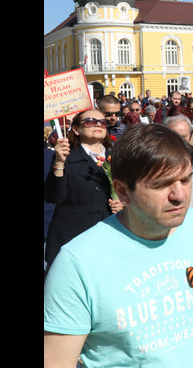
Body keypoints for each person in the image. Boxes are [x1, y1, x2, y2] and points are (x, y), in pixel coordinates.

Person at [44, 124, 193, 367]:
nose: (180, 195)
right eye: (161, 184)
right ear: (122, 192)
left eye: (185, 179)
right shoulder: (77, 263)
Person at [44, 109, 124, 275]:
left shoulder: (117, 156)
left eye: (103, 122)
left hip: (110, 233)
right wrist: (59, 163)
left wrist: (123, 204)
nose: (98, 125)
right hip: (74, 235)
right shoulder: (67, 156)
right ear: (76, 129)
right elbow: (54, 196)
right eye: (90, 121)